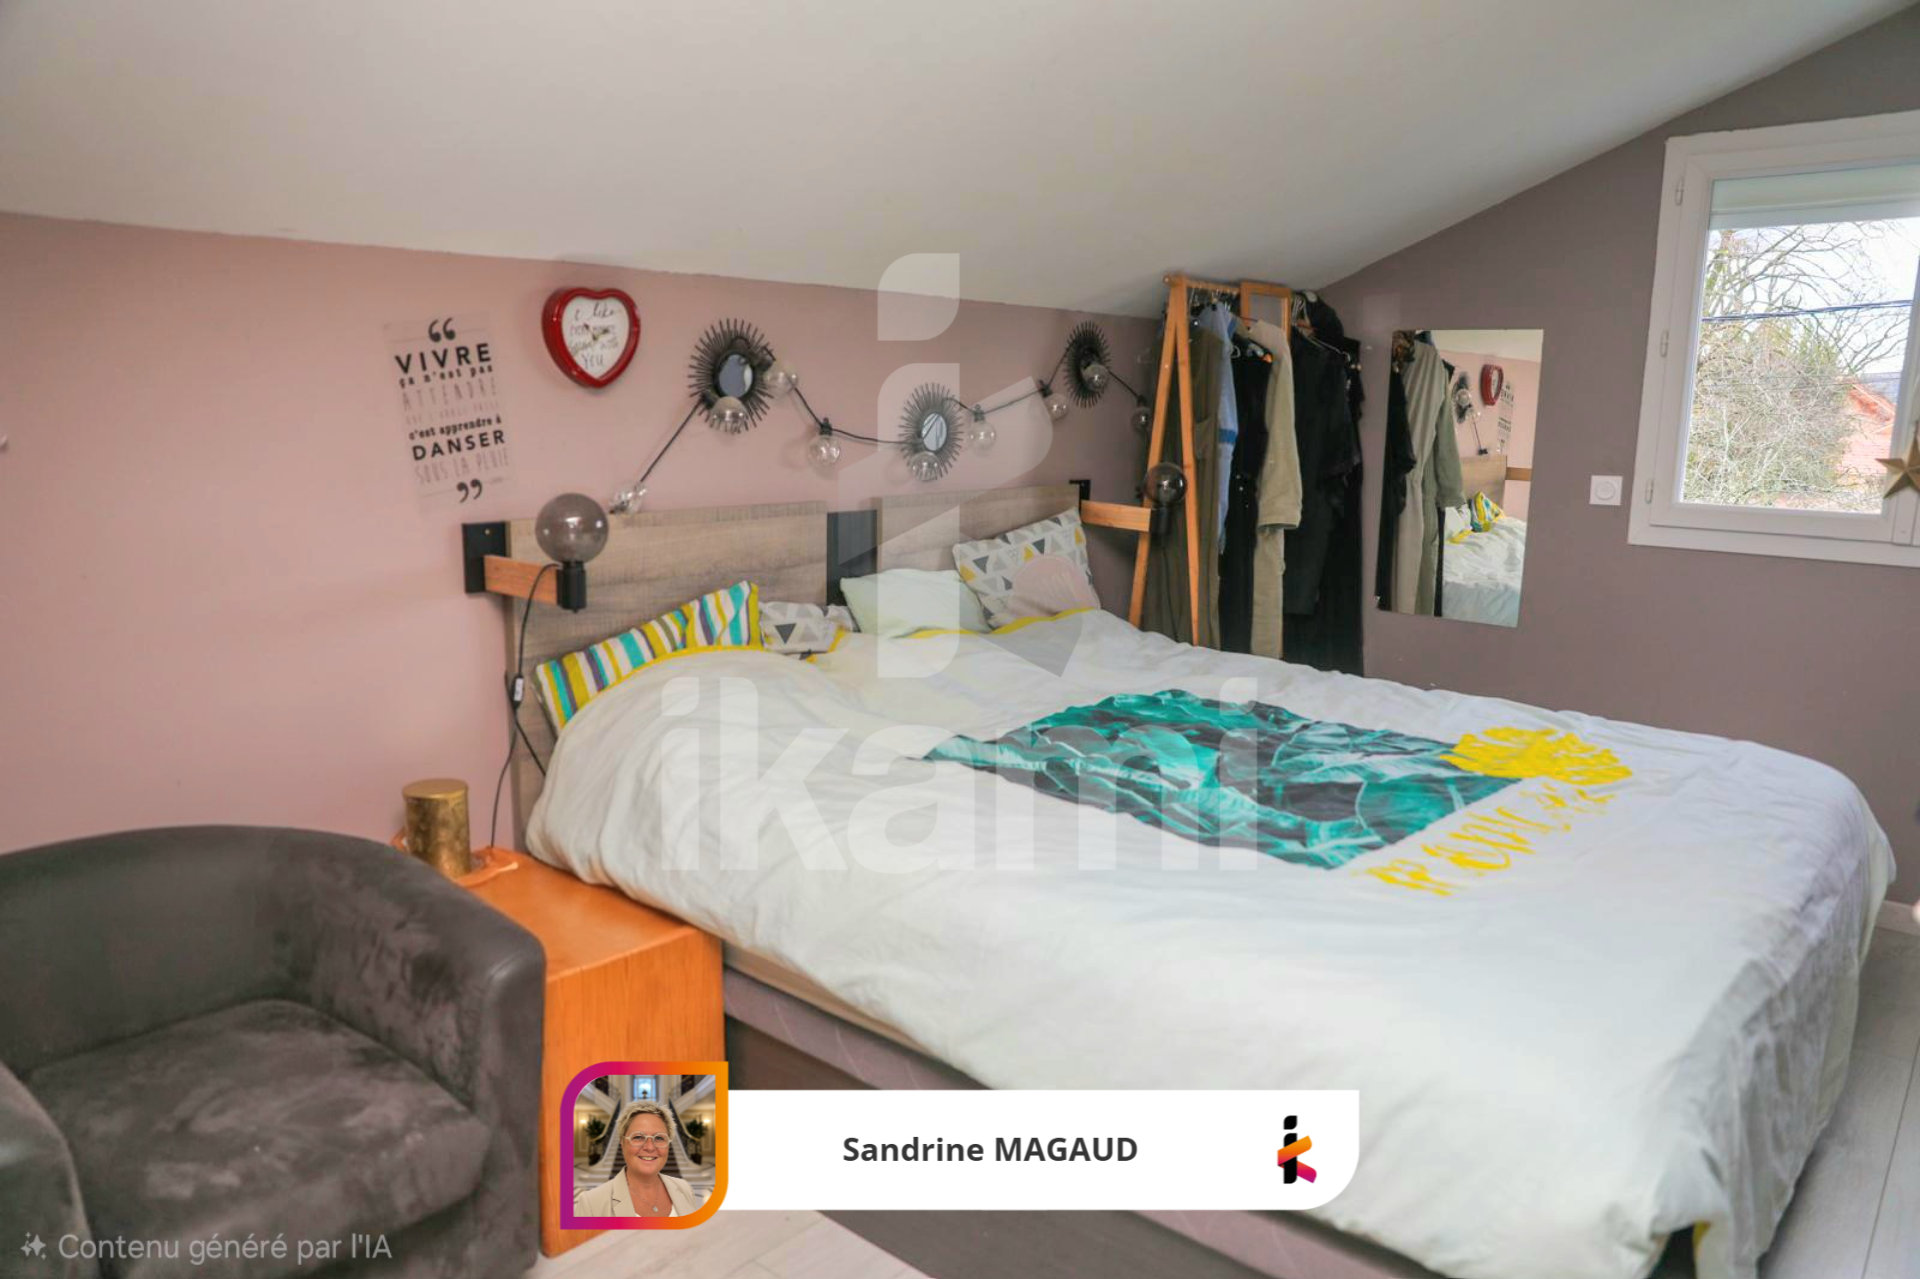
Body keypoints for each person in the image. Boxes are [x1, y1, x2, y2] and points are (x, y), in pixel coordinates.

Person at [575, 1101, 705, 1217]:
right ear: (622, 1142)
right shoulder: (590, 1204)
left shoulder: (685, 1189)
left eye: (659, 1138)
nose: (649, 1147)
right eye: (638, 1137)